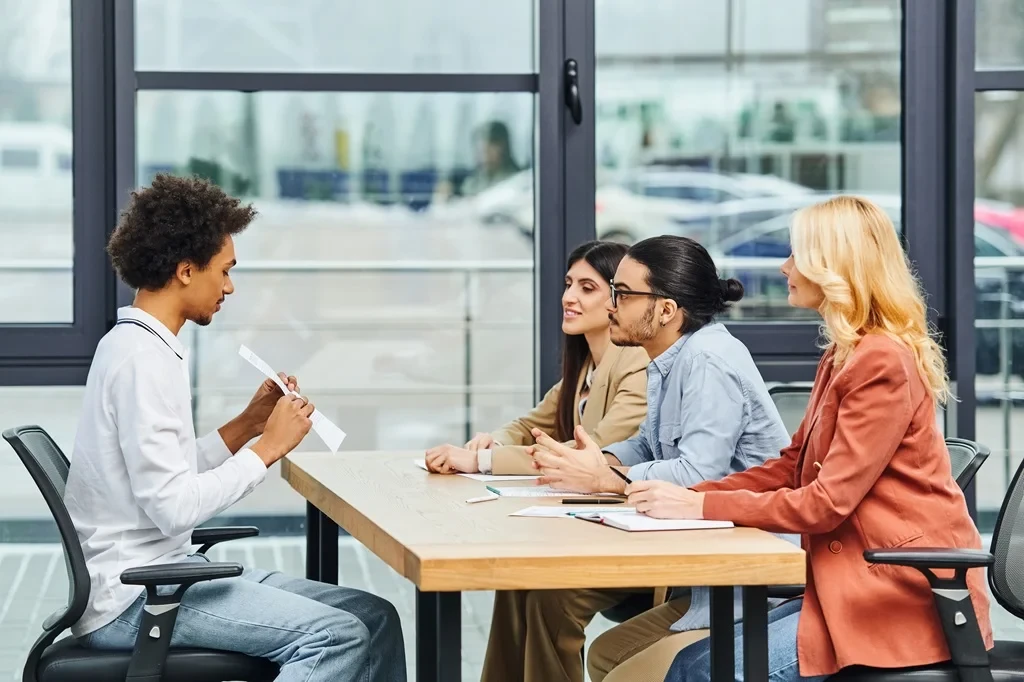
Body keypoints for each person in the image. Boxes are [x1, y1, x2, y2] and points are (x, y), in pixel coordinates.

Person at [623, 196, 993, 682]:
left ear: (833, 267)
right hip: (851, 585)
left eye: (798, 255)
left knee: (696, 673)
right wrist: (689, 496)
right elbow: (792, 465)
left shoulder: (881, 362)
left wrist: (699, 508)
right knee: (691, 664)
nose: (785, 266)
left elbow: (826, 503)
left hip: (899, 598)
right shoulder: (844, 354)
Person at [65, 174, 406, 681]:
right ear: (185, 270)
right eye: (224, 272)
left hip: (161, 576)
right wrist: (267, 449)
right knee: (337, 636)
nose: (229, 287)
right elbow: (173, 507)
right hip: (139, 595)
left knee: (374, 617)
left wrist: (247, 426)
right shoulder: (142, 361)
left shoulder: (141, 346)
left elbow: (163, 474)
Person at [488, 236, 791, 682]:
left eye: (623, 294)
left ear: (666, 310)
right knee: (605, 653)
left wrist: (609, 479)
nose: (612, 305)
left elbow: (696, 472)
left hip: (752, 580)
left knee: (613, 662)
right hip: (699, 565)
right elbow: (647, 447)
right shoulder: (668, 359)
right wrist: (599, 461)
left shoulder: (708, 360)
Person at [425, 240, 648, 477]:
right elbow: (528, 426)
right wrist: (494, 443)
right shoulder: (587, 368)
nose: (568, 297)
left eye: (587, 288)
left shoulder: (637, 364)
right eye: (568, 284)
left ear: (618, 298)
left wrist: (482, 460)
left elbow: (596, 449)